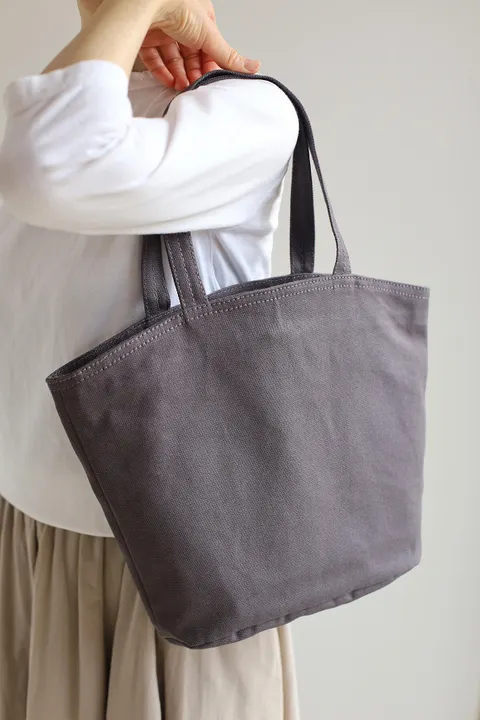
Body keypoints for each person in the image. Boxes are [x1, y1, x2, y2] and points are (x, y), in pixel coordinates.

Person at [0, 0, 300, 717]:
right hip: (32, 524)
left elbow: (45, 164)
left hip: (182, 546)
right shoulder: (65, 103)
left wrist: (139, 7)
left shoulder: (247, 114)